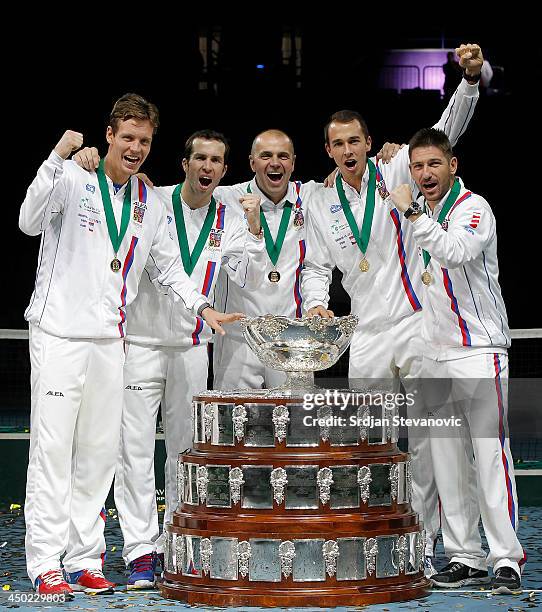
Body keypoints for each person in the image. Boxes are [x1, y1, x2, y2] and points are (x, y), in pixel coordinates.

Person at [19, 95, 239, 597]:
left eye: (144, 140)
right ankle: (44, 561)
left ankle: (84, 557)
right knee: (54, 451)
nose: (135, 147)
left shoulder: (146, 202)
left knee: (98, 455)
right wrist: (56, 158)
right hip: (59, 333)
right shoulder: (73, 177)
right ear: (110, 135)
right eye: (128, 137)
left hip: (110, 340)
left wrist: (201, 307)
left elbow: (165, 267)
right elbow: (28, 221)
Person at [301, 43, 484, 577]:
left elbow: (446, 130)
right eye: (338, 143)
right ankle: (379, 534)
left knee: (430, 439)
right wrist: (315, 304)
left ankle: (428, 544)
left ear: (366, 141)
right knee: (372, 443)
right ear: (329, 149)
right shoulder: (318, 201)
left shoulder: (396, 167)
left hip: (417, 323)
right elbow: (315, 267)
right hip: (367, 335)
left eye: (355, 139)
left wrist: (468, 81)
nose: (348, 149)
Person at [389, 128, 525, 595]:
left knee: (489, 457)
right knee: (448, 461)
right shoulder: (421, 213)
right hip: (436, 356)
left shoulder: (473, 208)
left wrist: (409, 211)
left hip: (479, 352)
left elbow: (454, 253)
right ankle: (464, 554)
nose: (425, 174)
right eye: (417, 166)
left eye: (433, 164)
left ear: (453, 165)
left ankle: (506, 557)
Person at [212, 129, 321, 390]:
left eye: (283, 156)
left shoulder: (310, 196)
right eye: (266, 156)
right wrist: (140, 182)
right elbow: (182, 194)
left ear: (293, 163)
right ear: (252, 163)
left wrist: (388, 155)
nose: (275, 163)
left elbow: (349, 173)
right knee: (232, 424)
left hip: (292, 338)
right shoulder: (225, 198)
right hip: (239, 339)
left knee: (295, 425)